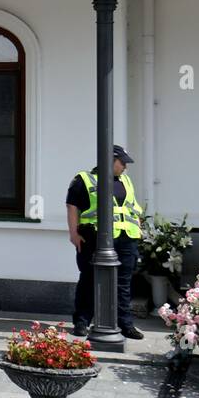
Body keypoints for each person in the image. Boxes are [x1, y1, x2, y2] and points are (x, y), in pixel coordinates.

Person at [66, 144, 145, 339]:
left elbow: (133, 208)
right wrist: (73, 234)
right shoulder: (84, 179)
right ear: (110, 160)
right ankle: (82, 322)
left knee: (123, 283)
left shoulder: (126, 180)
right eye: (122, 162)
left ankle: (125, 324)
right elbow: (72, 206)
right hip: (94, 237)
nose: (125, 167)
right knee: (89, 279)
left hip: (126, 238)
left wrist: (138, 228)